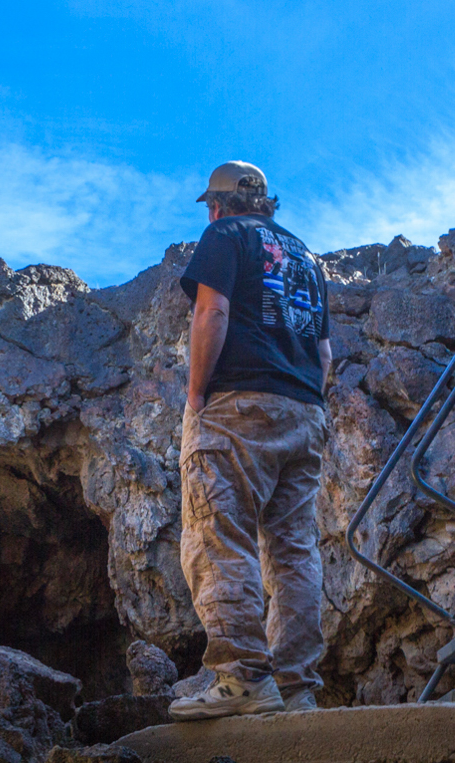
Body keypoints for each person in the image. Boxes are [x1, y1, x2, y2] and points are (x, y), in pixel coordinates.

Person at [169, 161, 332, 721]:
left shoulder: (224, 235)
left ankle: (242, 678)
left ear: (216, 205)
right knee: (292, 550)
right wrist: (307, 402)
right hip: (305, 410)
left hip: (237, 406)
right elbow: (325, 353)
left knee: (219, 531)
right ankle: (297, 688)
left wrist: (196, 395)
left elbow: (212, 311)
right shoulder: (306, 258)